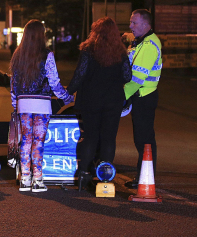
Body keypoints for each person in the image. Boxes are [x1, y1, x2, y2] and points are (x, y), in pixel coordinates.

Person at [67, 17, 131, 191]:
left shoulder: (88, 50)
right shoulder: (121, 51)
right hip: (113, 101)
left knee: (90, 137)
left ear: (95, 32)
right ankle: (105, 177)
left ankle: (82, 176)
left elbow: (80, 74)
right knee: (109, 138)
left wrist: (67, 92)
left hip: (91, 100)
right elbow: (127, 76)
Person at [9, 19, 73, 193]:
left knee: (26, 140)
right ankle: (37, 180)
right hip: (42, 103)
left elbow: (13, 84)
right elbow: (54, 82)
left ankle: (24, 179)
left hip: (23, 103)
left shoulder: (17, 55)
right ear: (41, 35)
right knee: (38, 141)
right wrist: (66, 97)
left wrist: (16, 104)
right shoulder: (47, 55)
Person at [123, 9, 162, 189]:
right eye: (130, 22)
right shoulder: (142, 42)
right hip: (142, 96)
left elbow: (137, 78)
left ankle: (145, 178)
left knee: (144, 139)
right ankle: (144, 176)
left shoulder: (148, 46)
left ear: (146, 25)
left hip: (144, 96)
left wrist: (120, 97)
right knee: (142, 139)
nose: (130, 26)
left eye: (134, 23)